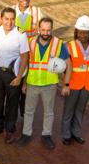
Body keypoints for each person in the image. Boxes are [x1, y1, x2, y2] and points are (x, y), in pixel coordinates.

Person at [19, 17, 71, 149]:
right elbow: (27, 65)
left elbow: (69, 64)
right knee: (28, 111)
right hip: (32, 83)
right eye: (43, 30)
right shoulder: (30, 43)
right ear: (38, 29)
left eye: (48, 30)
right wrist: (24, 83)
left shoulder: (58, 44)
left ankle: (46, 135)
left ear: (51, 29)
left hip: (50, 85)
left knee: (49, 112)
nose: (46, 33)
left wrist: (66, 84)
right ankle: (26, 134)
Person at [0, 7, 29, 143]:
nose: (9, 22)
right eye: (6, 19)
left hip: (13, 74)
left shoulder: (21, 34)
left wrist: (19, 77)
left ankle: (9, 129)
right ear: (1, 18)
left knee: (12, 102)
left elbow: (25, 57)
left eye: (12, 19)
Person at [62, 16, 89, 145]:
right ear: (76, 32)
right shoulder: (69, 46)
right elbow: (63, 66)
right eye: (80, 32)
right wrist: (66, 83)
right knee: (69, 110)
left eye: (85, 32)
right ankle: (66, 135)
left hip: (87, 84)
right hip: (73, 84)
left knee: (80, 110)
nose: (82, 35)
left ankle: (76, 133)